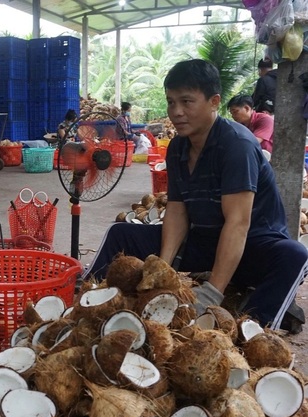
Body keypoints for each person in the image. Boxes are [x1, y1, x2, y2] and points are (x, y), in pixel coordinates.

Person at [84, 59, 308, 334]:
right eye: (171, 102)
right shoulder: (178, 146)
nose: (176, 112)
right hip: (204, 241)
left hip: (251, 246)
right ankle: (85, 300)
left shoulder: (236, 146)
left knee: (294, 255)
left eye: (187, 102)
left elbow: (237, 224)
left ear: (214, 102)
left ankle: (253, 330)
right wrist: (162, 272)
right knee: (121, 233)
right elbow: (177, 211)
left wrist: (212, 293)